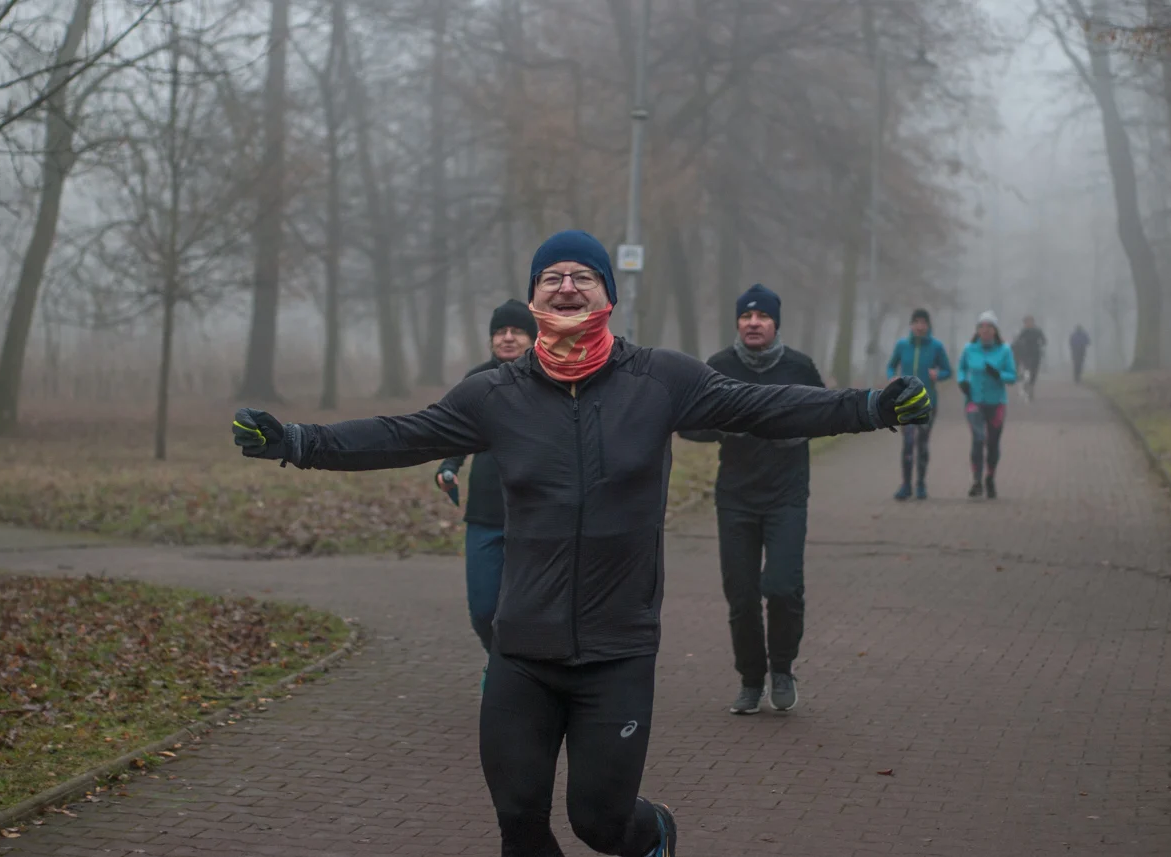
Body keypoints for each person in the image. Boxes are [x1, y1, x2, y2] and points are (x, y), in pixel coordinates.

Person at [231, 229, 932, 857]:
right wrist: (297, 441)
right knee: (519, 822)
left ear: (607, 295)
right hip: (522, 650)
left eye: (583, 276)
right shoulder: (494, 394)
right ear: (535, 297)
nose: (567, 286)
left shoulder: (662, 380)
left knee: (600, 822)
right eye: (551, 277)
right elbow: (399, 434)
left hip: (616, 652)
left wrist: (870, 406)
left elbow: (767, 406)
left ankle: (655, 835)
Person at [678, 284, 824, 716]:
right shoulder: (719, 368)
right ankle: (750, 680)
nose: (753, 323)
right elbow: (690, 423)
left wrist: (787, 429)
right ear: (738, 323)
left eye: (762, 317)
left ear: (776, 322)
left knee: (781, 587)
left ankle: (782, 668)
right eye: (746, 317)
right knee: (740, 596)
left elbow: (823, 416)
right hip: (736, 498)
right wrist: (726, 427)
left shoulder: (799, 367)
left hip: (786, 496)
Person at [435, 299, 537, 687]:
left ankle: (514, 675)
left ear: (533, 337)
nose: (507, 338)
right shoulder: (477, 381)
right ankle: (498, 657)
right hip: (485, 513)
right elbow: (452, 430)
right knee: (483, 608)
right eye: (500, 331)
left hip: (536, 513)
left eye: (516, 331)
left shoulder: (550, 380)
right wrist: (448, 467)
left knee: (526, 607)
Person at [885, 308, 952, 501]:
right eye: (916, 322)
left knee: (922, 444)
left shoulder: (936, 347)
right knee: (907, 443)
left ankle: (921, 484)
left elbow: (948, 370)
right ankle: (905, 485)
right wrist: (892, 377)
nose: (919, 326)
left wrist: (938, 375)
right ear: (911, 325)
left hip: (927, 402)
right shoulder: (902, 346)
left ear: (928, 326)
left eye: (923, 323)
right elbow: (891, 365)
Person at [957, 310, 1017, 499]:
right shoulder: (969, 349)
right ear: (977, 330)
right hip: (974, 401)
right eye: (982, 327)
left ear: (995, 330)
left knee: (992, 443)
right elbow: (961, 369)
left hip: (996, 403)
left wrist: (999, 375)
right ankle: (976, 481)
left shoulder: (1004, 350)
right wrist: (962, 382)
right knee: (978, 438)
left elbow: (1013, 376)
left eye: (989, 327)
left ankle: (990, 477)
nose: (985, 330)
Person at [1011, 315, 1047, 401]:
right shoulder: (1024, 331)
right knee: (1027, 369)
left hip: (1036, 353)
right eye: (1026, 322)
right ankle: (1026, 383)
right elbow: (1017, 341)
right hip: (1026, 354)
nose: (1028, 323)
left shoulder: (1038, 331)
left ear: (1033, 322)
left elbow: (1044, 341)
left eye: (1029, 321)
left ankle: (1031, 386)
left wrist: (1041, 344)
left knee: (1034, 371)